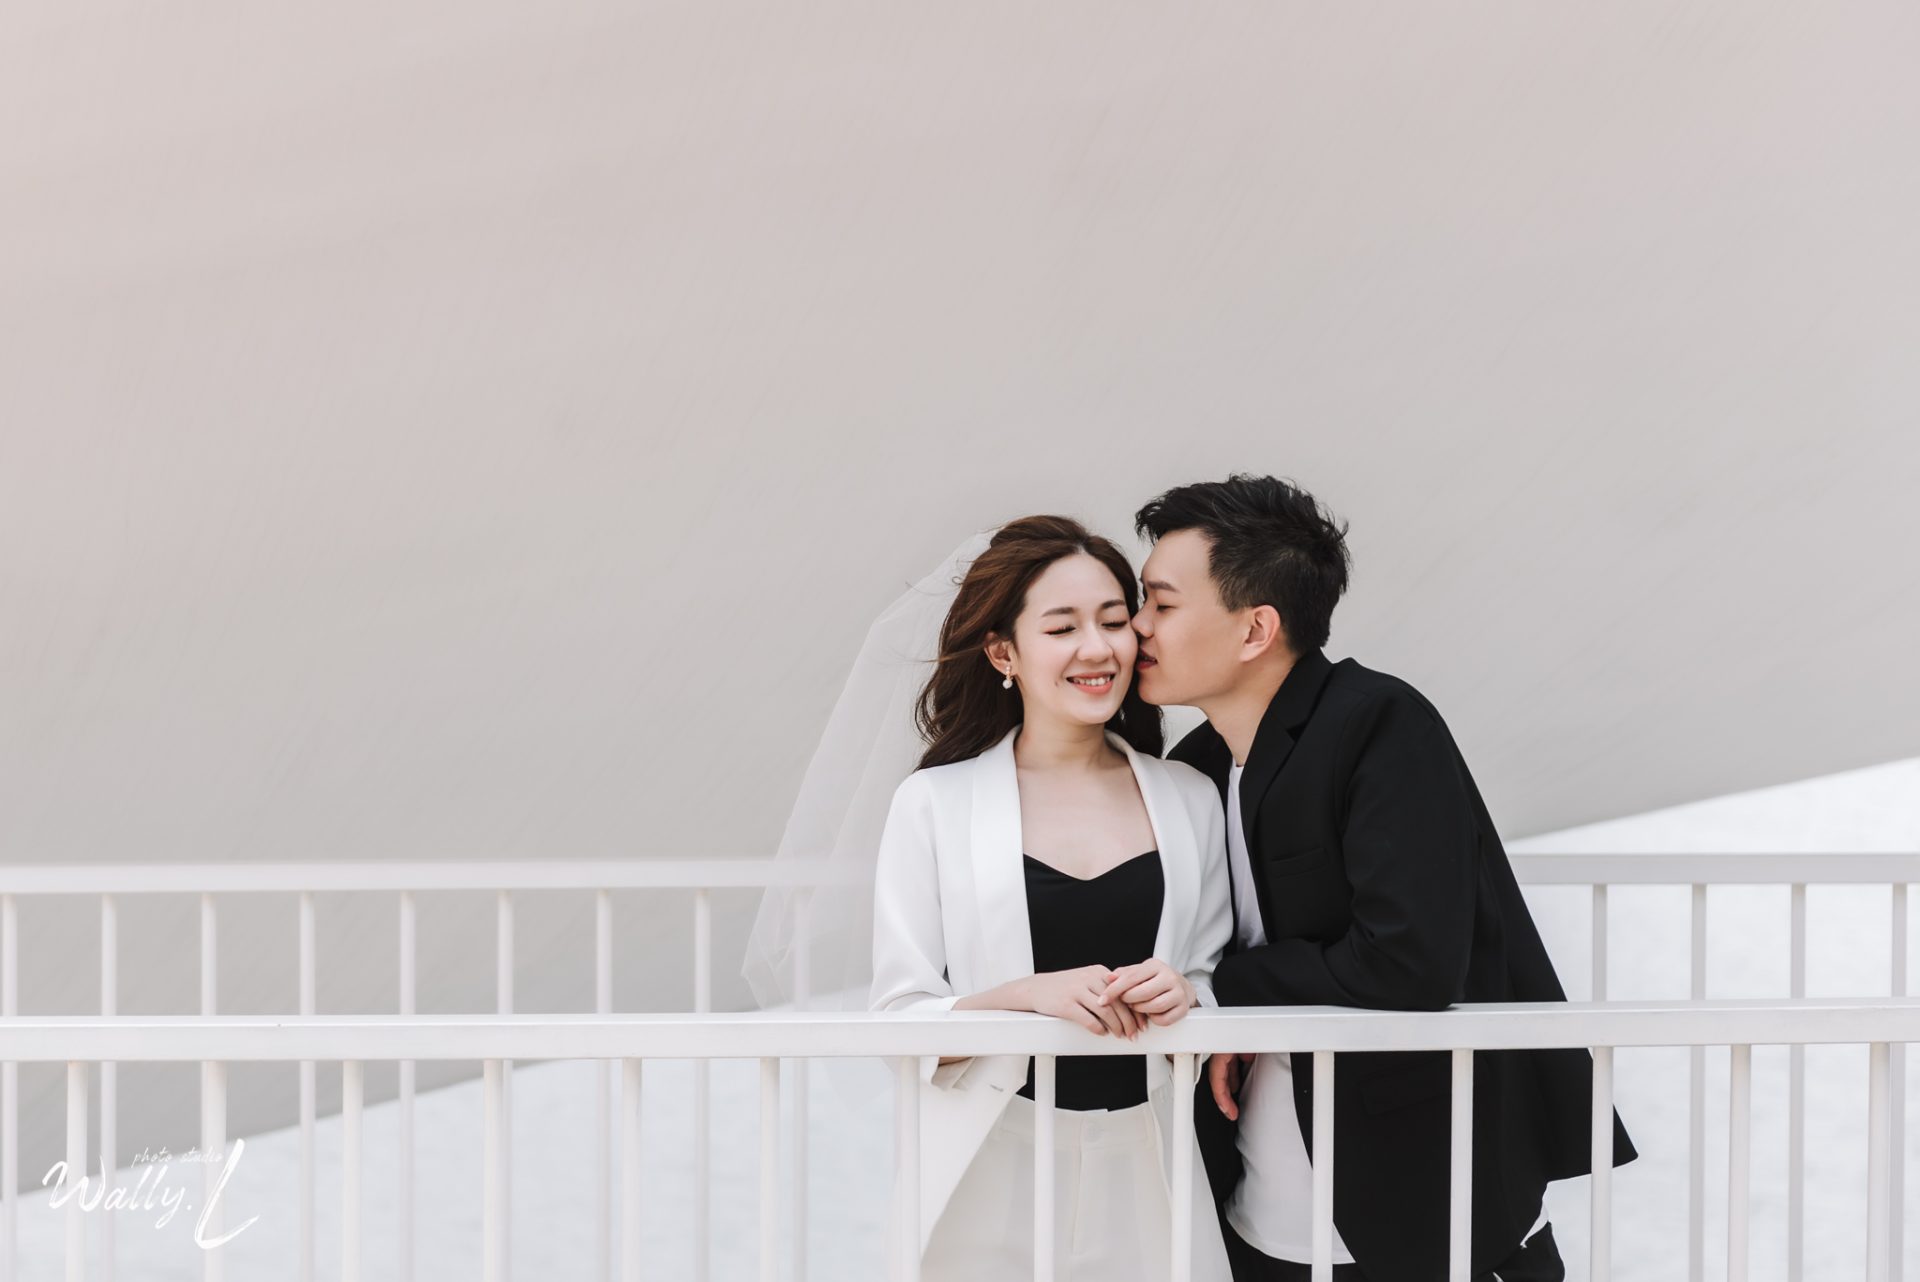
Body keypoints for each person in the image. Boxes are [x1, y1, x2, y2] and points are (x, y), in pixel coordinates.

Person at [1128, 475, 1638, 1282]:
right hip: (1260, 1208)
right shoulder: (1193, 769)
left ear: (1256, 628)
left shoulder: (1378, 722)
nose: (1137, 625)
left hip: (1426, 1202)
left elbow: (1407, 960)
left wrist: (1224, 991)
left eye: (1160, 603)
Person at [862, 515, 1237, 1281]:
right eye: (1062, 627)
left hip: (1149, 1158)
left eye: (1113, 621)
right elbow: (899, 1020)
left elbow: (1211, 978)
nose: (1097, 649)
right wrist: (1024, 998)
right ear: (1003, 652)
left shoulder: (1192, 796)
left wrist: (1189, 994)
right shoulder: (933, 805)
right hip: (989, 1160)